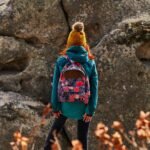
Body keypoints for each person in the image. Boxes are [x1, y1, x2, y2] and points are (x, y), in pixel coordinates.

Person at [44, 22, 99, 150]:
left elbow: (56, 86)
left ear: (69, 42)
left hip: (64, 106)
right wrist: (90, 110)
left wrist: (55, 107)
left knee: (52, 138)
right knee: (82, 140)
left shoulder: (62, 60)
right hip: (84, 108)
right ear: (84, 43)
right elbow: (94, 88)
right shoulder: (90, 62)